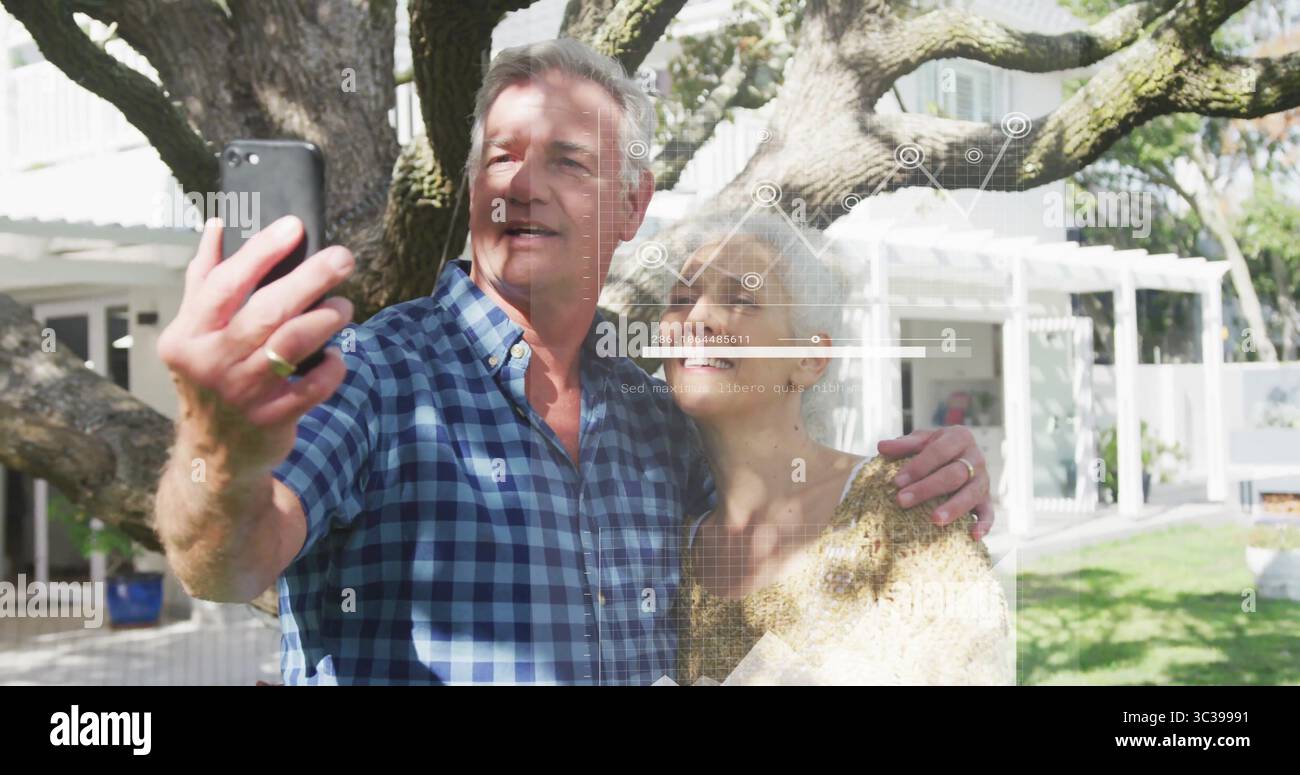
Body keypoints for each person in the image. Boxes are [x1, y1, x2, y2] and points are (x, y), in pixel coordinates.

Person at [152, 37, 996, 684]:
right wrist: (215, 449)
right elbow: (227, 559)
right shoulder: (371, 376)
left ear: (633, 205)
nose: (523, 185)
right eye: (503, 155)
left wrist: (930, 474)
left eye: (567, 161)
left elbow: (783, 512)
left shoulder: (660, 420)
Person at [658, 215, 1012, 685]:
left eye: (741, 301)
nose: (697, 319)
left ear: (809, 359)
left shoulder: (902, 505)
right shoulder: (668, 549)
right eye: (681, 300)